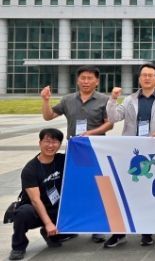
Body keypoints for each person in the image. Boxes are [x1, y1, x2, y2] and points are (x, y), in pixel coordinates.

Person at [104, 63, 155, 248]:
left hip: (153, 153)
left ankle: (147, 232)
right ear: (139, 78)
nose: (147, 78)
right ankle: (119, 233)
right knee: (125, 192)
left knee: (148, 192)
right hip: (131, 153)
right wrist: (113, 99)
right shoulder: (129, 100)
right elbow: (113, 118)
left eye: (151, 75)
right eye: (144, 75)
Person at [40, 65, 111, 243]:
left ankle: (98, 228)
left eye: (90, 78)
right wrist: (46, 100)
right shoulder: (68, 99)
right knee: (74, 188)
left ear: (97, 81)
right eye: (83, 78)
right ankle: (73, 226)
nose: (86, 81)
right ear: (77, 80)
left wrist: (91, 133)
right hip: (74, 152)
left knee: (96, 189)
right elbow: (48, 116)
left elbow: (109, 124)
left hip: (95, 150)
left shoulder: (104, 100)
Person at [9, 128, 73, 260]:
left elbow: (83, 158)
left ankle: (49, 233)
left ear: (60, 144)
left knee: (75, 208)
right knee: (22, 213)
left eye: (55, 142)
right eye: (47, 141)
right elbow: (35, 200)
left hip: (55, 207)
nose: (50, 145)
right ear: (40, 143)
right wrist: (48, 223)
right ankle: (18, 247)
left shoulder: (62, 160)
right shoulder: (30, 169)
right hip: (35, 210)